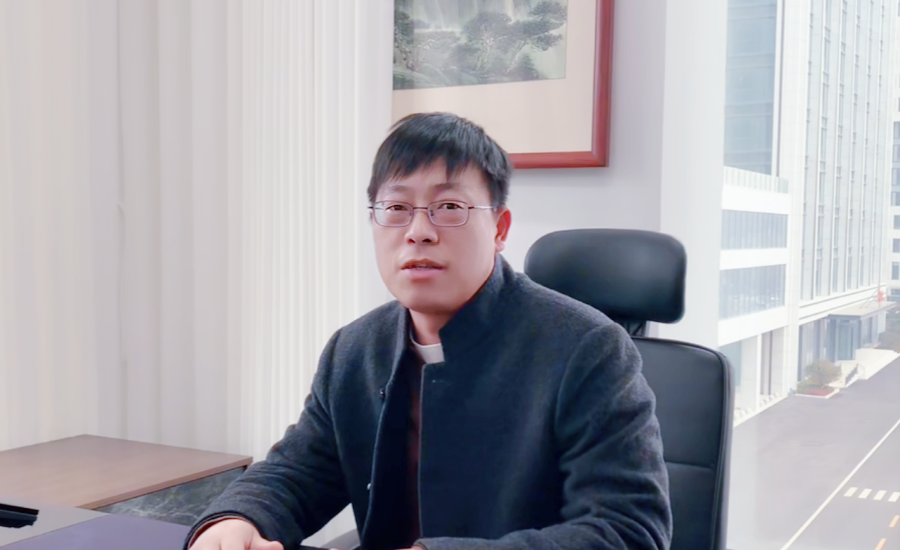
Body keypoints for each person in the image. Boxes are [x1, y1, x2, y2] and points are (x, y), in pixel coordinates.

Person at [185, 112, 673, 550]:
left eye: (450, 207)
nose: (418, 231)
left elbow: (629, 530)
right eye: (396, 209)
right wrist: (234, 520)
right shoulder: (354, 349)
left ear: (500, 229)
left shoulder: (588, 348)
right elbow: (298, 471)